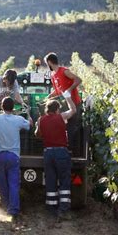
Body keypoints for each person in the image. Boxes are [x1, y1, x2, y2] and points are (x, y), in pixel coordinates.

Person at [0, 97, 33, 222]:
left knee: (2, 182)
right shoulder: (18, 120)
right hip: (13, 155)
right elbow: (30, 125)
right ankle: (13, 210)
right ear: (13, 107)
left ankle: (5, 206)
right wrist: (28, 114)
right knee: (13, 183)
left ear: (1, 106)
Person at [35, 93, 76, 222]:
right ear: (57, 109)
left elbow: (38, 135)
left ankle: (51, 209)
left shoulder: (41, 119)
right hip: (61, 152)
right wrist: (68, 97)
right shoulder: (61, 117)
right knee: (64, 180)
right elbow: (73, 110)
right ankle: (63, 210)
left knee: (50, 179)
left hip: (48, 153)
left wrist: (38, 125)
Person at [43, 52, 82, 152]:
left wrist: (69, 90)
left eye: (47, 63)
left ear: (49, 62)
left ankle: (71, 149)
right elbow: (57, 90)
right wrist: (49, 97)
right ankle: (64, 147)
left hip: (74, 102)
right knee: (62, 125)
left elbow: (78, 80)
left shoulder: (64, 71)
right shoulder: (53, 75)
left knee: (71, 126)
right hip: (64, 104)